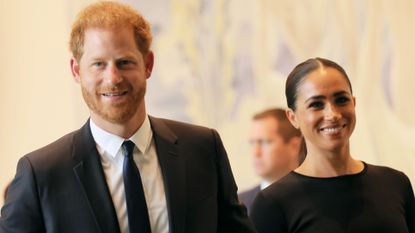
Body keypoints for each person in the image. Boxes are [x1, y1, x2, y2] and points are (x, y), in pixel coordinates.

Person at [0, 2, 256, 233]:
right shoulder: (41, 174)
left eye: (124, 62)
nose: (112, 78)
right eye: (98, 64)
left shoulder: (203, 148)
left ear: (148, 65)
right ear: (76, 71)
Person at [250, 57, 415, 233]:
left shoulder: (395, 183)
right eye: (316, 104)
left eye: (341, 100)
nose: (332, 114)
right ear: (293, 117)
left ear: (354, 103)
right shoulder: (273, 203)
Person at [239, 108, 302, 214]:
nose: (256, 153)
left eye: (264, 142)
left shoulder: (317, 198)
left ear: (294, 146)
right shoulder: (239, 204)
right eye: (252, 143)